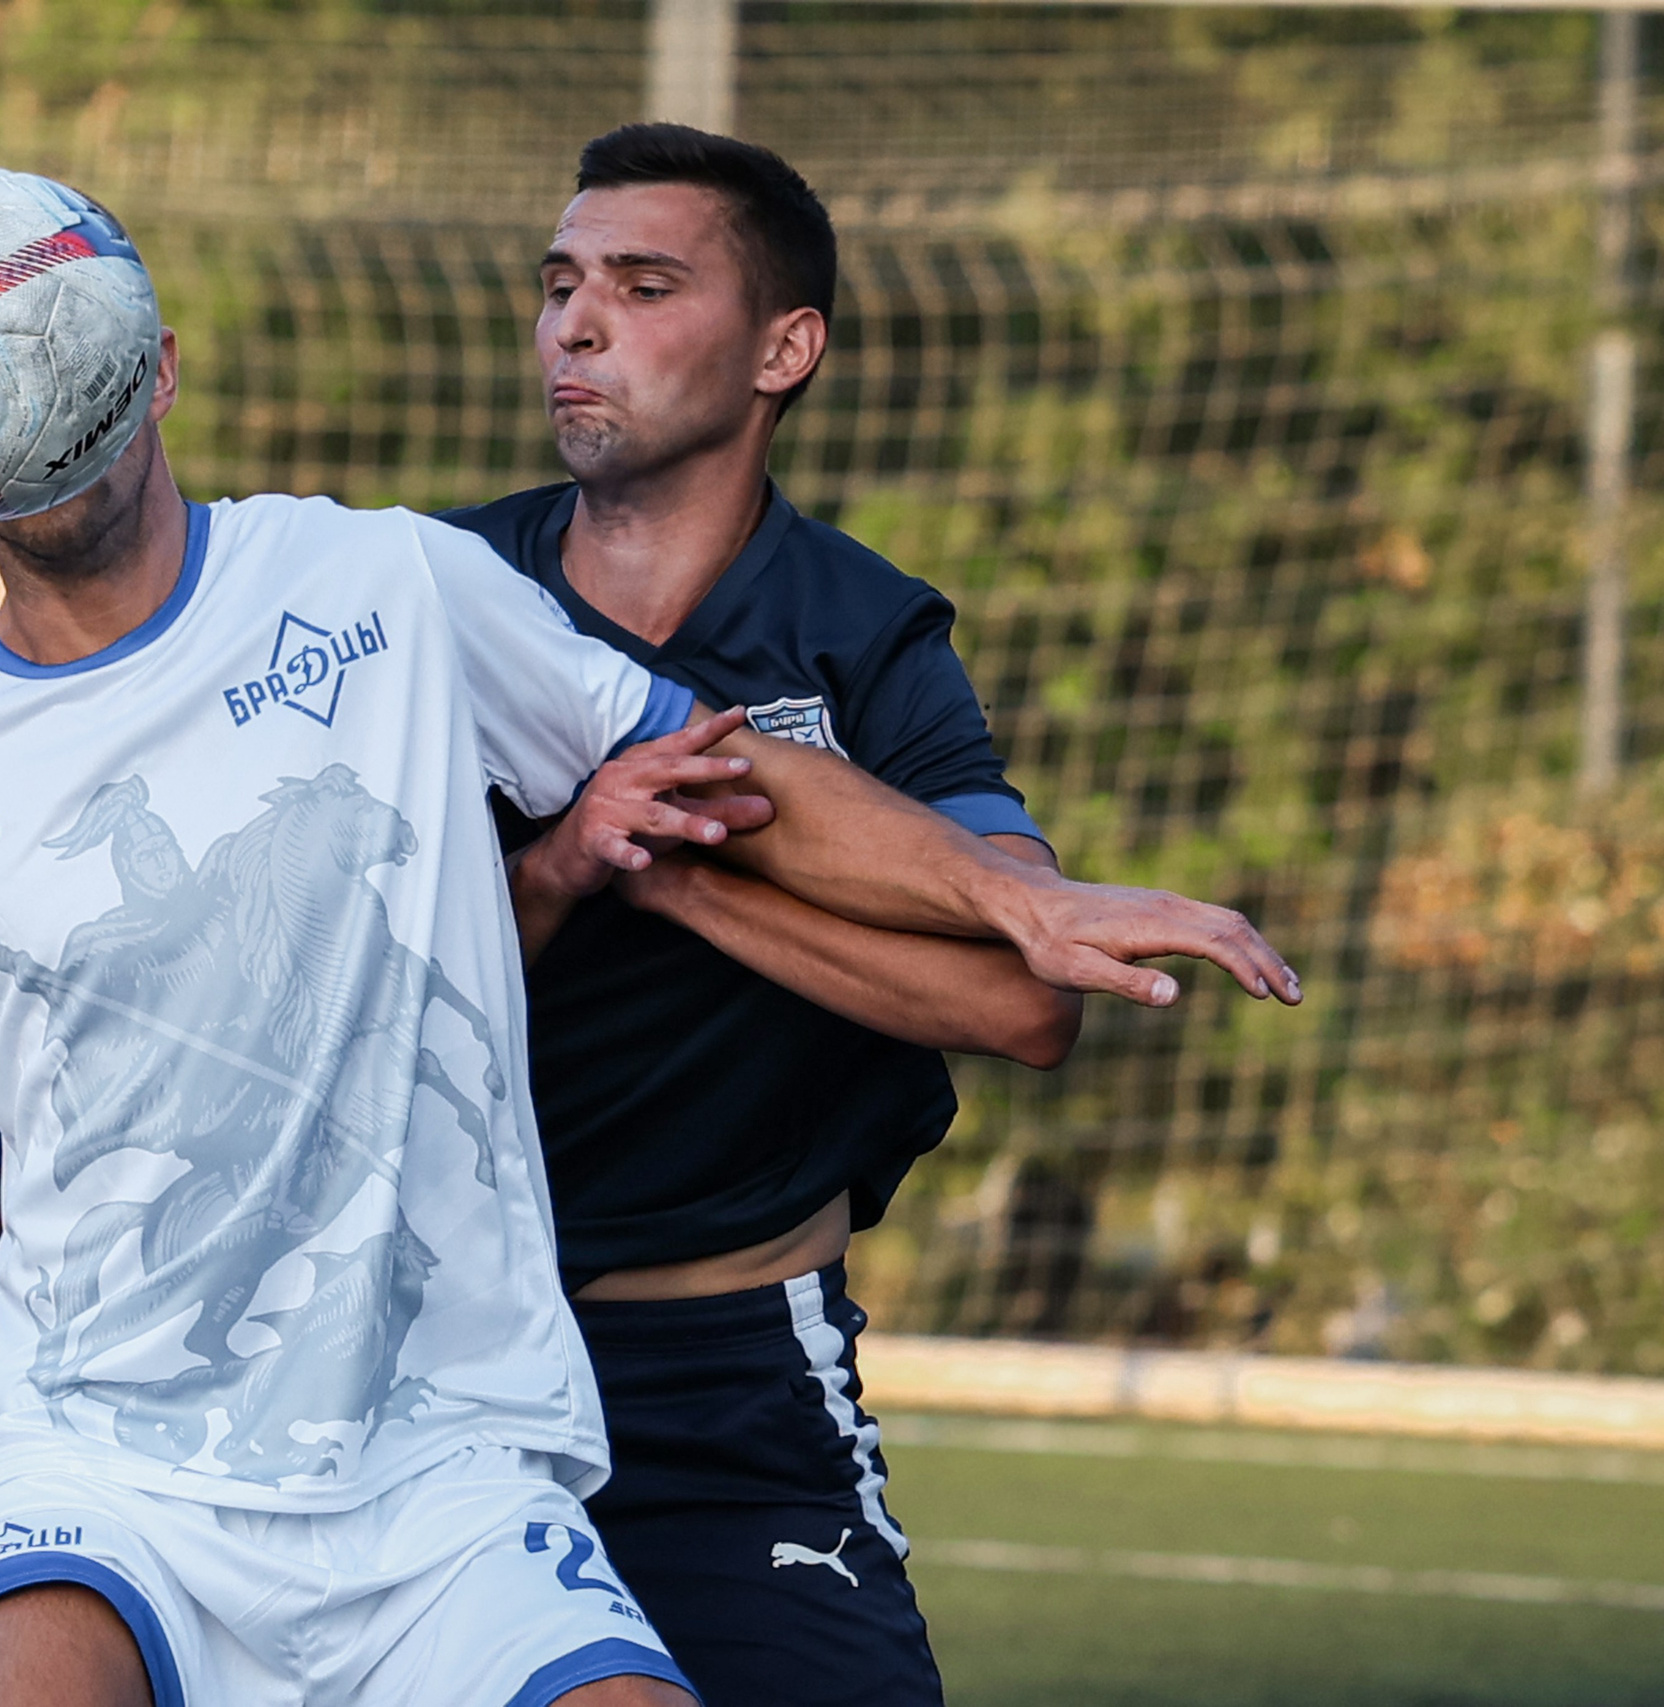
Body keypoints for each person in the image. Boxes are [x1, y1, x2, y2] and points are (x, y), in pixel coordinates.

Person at [0, 170, 1296, 1707]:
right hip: (107, 1464)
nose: (580, 318)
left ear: (162, 369)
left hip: (443, 1459)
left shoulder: (388, 588)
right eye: (563, 283)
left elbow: (703, 768)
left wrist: (1019, 892)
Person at [448, 124, 1285, 1705]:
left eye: (640, 283)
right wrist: (564, 866)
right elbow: (357, 970)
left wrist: (687, 868)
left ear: (787, 348)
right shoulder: (432, 594)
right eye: (559, 285)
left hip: (725, 1378)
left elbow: (1022, 995)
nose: (575, 323)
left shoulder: (865, 635)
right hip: (431, 1359)